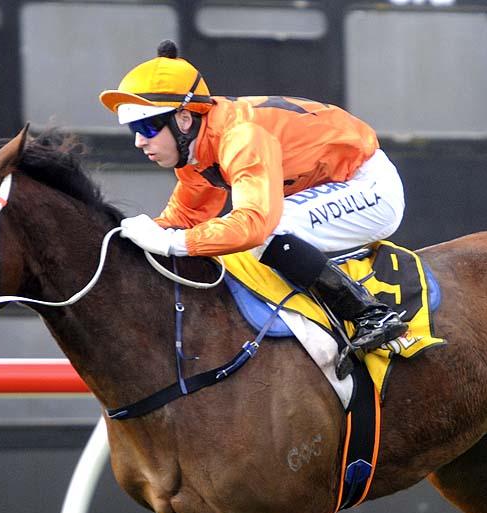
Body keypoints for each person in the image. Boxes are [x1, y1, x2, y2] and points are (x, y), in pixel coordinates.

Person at [98, 40, 409, 356]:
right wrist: (131, 237)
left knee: (269, 229)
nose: (139, 141)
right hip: (332, 186)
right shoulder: (196, 147)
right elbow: (186, 219)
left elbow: (254, 225)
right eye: (133, 128)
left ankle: (370, 314)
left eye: (147, 126)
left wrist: (171, 243)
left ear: (184, 119)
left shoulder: (240, 137)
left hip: (369, 188)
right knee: (244, 231)